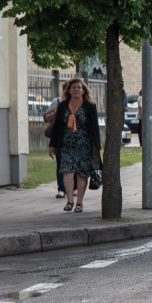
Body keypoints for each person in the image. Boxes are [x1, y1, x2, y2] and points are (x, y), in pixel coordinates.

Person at [48, 77, 102, 213]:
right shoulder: (62, 106)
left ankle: (79, 203)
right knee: (67, 171)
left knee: (82, 174)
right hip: (66, 144)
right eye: (74, 87)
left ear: (83, 90)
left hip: (85, 144)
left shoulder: (89, 107)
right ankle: (70, 201)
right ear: (69, 91)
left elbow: (95, 127)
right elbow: (57, 127)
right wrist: (52, 144)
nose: (77, 89)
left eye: (79, 87)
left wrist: (97, 146)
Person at [43, 81, 69, 199]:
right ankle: (62, 189)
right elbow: (46, 118)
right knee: (61, 164)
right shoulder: (57, 102)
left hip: (75, 139)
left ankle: (72, 188)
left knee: (74, 165)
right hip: (59, 138)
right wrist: (55, 113)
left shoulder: (81, 103)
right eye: (68, 89)